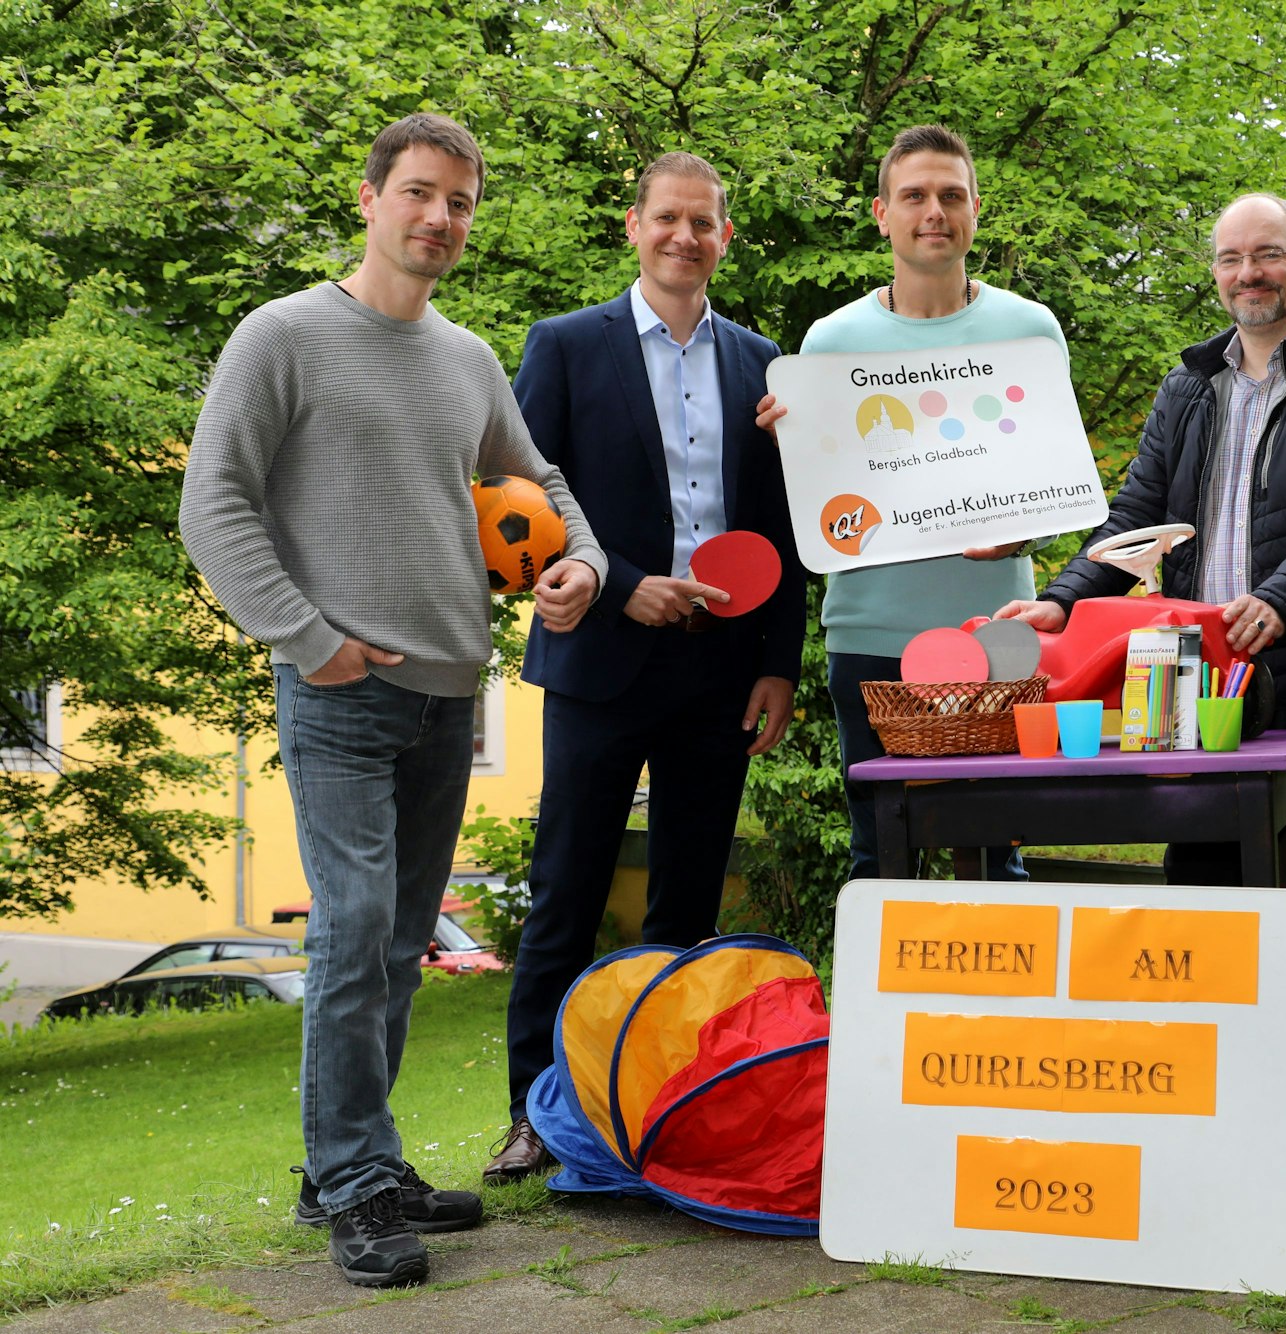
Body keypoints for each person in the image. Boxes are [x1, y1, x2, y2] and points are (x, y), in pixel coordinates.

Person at [179, 114, 607, 1287]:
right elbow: (212, 503)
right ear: (369, 199)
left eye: (459, 201)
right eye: (418, 192)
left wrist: (581, 560)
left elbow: (539, 478)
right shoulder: (283, 335)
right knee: (357, 928)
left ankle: (347, 1165)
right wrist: (307, 637)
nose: (439, 217)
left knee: (402, 941)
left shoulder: (466, 358)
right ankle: (357, 1178)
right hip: (339, 693)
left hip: (446, 693)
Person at [994, 193, 1286, 1059]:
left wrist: (1280, 599)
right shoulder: (1189, 385)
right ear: (1215, 273)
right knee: (1201, 891)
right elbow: (1135, 513)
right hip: (1193, 683)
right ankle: (1207, 1089)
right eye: (1230, 258)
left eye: (1268, 254)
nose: (1249, 273)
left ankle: (1284, 1095)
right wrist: (1062, 599)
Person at [485, 152, 804, 1181]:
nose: (684, 237)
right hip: (599, 660)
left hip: (721, 673)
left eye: (703, 222)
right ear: (634, 225)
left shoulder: (763, 364)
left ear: (724, 237)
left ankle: (659, 1114)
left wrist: (779, 664)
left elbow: (784, 523)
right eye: (668, 218)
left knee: (686, 908)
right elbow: (521, 493)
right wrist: (621, 582)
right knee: (565, 895)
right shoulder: (565, 345)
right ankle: (534, 1112)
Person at [756, 123, 1067, 883]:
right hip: (868, 636)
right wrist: (788, 453)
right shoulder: (829, 343)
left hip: (994, 637)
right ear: (882, 213)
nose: (935, 211)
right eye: (915, 195)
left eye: (951, 195)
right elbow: (820, 505)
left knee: (996, 861)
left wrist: (1020, 538)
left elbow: (1057, 491)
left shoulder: (1030, 331)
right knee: (880, 859)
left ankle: (997, 971)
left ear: (975, 210)